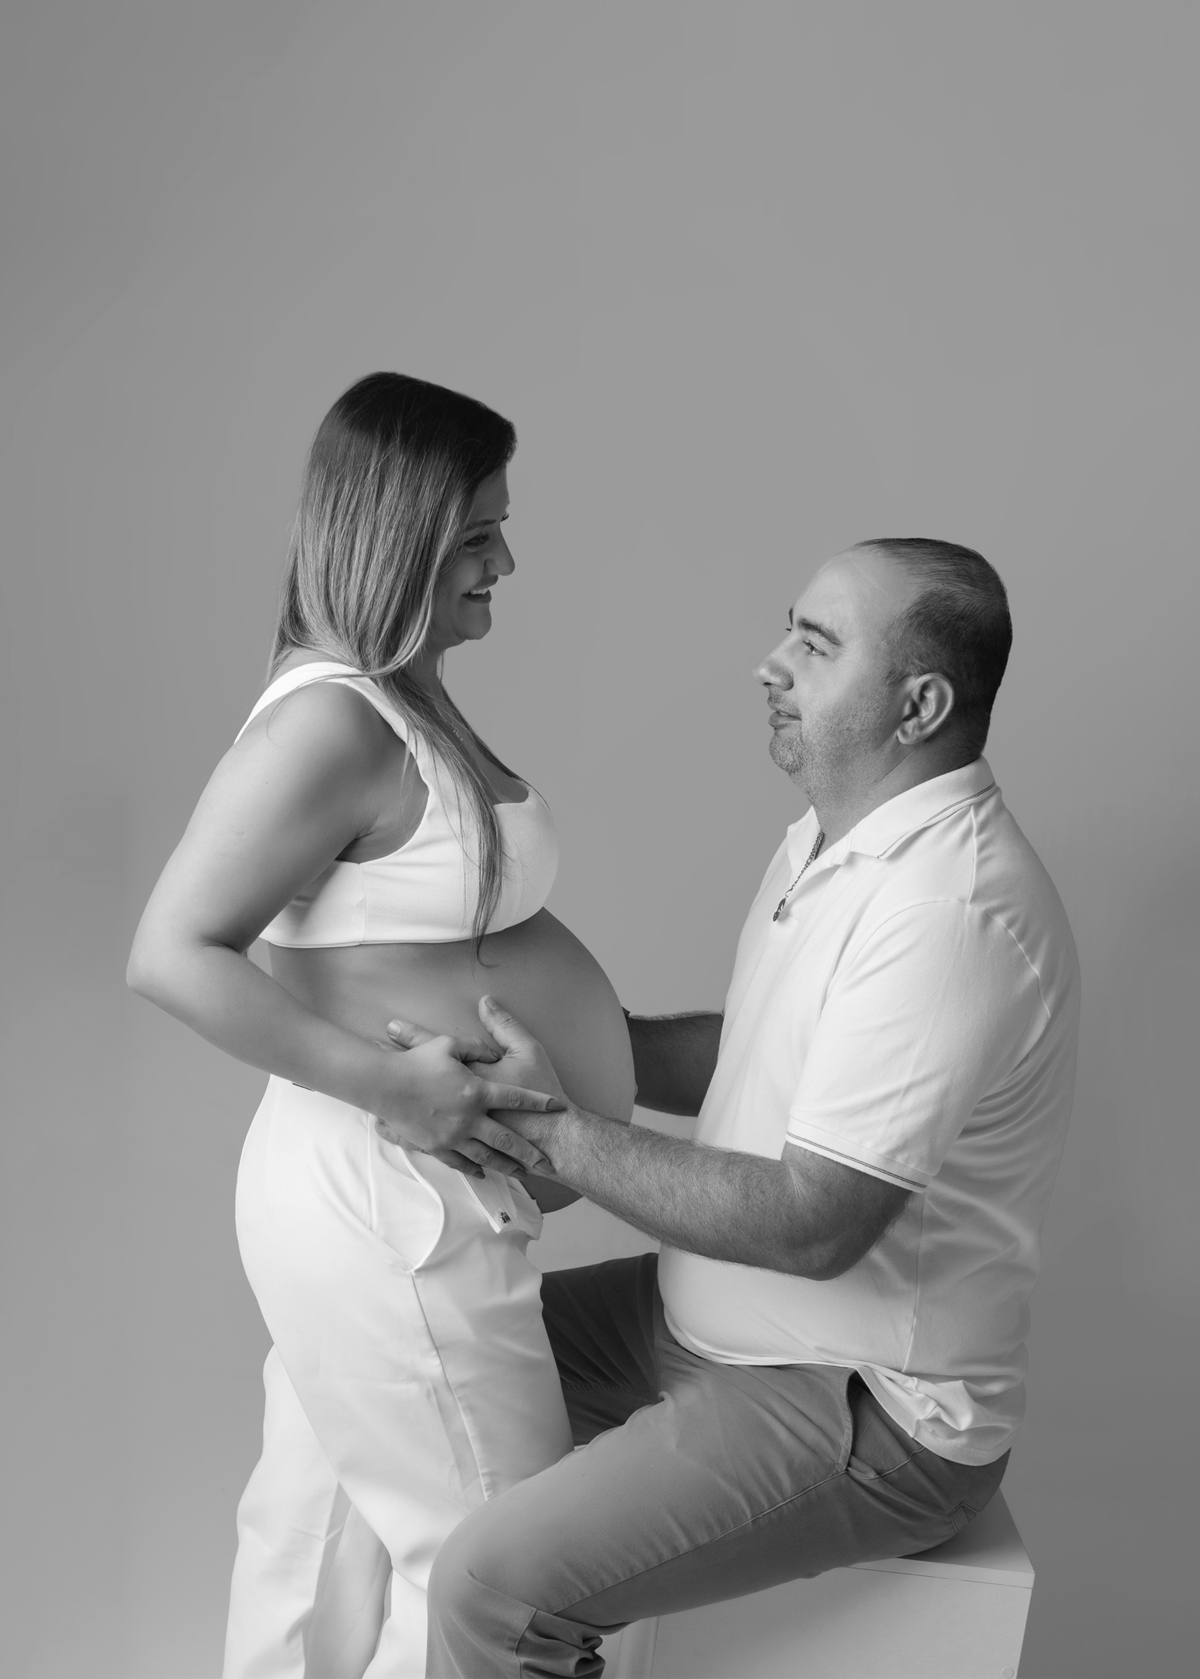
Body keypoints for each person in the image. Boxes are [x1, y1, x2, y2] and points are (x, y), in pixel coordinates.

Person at [419, 538, 1081, 1678]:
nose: (769, 663)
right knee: (420, 1355)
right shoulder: (840, 838)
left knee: (492, 1590)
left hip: (864, 1406)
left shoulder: (949, 910)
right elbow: (773, 1053)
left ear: (919, 705)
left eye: (816, 645)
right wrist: (575, 1048)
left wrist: (545, 1126)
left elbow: (811, 1222)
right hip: (701, 1326)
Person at [126, 372, 636, 1678]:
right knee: (493, 1569)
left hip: (391, 1191)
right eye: (478, 535)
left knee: (317, 1543)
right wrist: (395, 1085)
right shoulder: (332, 719)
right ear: (398, 536)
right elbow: (171, 950)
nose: (506, 562)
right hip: (383, 1191)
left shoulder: (394, 694)